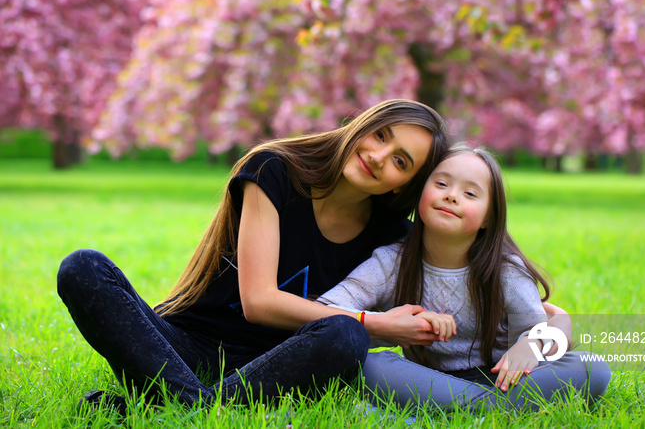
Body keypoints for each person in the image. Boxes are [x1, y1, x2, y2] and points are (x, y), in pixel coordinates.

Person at [56, 99, 451, 411]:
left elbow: (472, 280)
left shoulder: (394, 238)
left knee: (345, 335)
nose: (379, 156)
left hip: (278, 368)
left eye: (401, 161)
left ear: (406, 185)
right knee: (82, 267)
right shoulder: (274, 169)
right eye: (380, 135)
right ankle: (200, 407)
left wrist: (513, 340)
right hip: (181, 346)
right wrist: (377, 323)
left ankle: (176, 405)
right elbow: (259, 302)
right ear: (360, 125)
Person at [318, 143, 611, 410]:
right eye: (442, 183)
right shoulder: (390, 262)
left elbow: (540, 332)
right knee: (370, 365)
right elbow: (327, 312)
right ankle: (493, 410)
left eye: (470, 193)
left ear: (488, 218)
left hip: (505, 381)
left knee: (591, 368)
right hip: (426, 381)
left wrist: (531, 344)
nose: (451, 196)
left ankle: (468, 408)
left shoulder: (505, 270)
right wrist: (392, 322)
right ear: (421, 192)